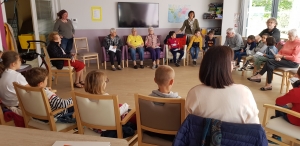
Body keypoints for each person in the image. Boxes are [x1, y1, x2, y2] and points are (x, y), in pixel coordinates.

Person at [186, 46, 259, 124]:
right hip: (237, 136)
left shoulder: (195, 92)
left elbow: (188, 124)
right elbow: (254, 126)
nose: (233, 66)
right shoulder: (244, 92)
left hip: (202, 136)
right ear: (227, 66)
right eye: (232, 62)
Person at [84, 71, 133, 136]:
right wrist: (125, 107)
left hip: (91, 127)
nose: (106, 83)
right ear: (101, 84)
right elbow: (114, 115)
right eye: (105, 81)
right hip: (106, 129)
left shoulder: (83, 98)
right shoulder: (106, 97)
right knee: (130, 112)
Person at [0, 51, 29, 116]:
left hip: (5, 104)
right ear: (13, 64)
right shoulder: (17, 76)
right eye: (19, 60)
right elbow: (30, 89)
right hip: (16, 106)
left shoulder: (3, 74)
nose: (21, 62)